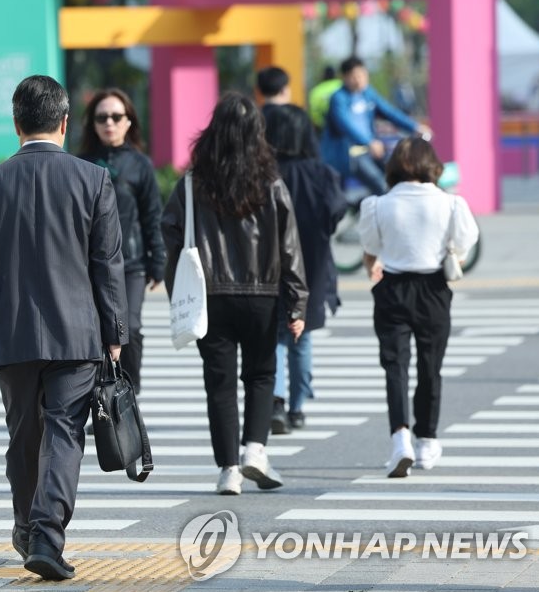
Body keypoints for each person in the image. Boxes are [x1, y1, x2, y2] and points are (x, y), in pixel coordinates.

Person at [0, 75, 128, 580]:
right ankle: (46, 534)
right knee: (64, 432)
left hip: (11, 336)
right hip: (77, 332)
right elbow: (108, 263)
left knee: (23, 435)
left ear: (16, 124)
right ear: (64, 122)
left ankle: (25, 527)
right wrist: (115, 332)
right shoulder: (92, 179)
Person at [161, 92, 308, 496]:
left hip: (211, 296)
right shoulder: (271, 183)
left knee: (219, 383)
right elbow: (290, 246)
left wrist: (177, 291)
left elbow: (170, 236)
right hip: (262, 294)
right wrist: (297, 303)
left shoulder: (191, 184)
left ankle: (228, 470)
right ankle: (255, 451)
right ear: (256, 134)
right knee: (261, 374)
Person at [357, 137, 478, 478]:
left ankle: (400, 439)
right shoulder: (451, 203)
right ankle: (427, 440)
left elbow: (370, 246)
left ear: (393, 167)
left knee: (395, 366)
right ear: (432, 166)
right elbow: (465, 243)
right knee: (430, 366)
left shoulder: (377, 204)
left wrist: (374, 266)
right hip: (433, 289)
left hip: (392, 287)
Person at [263, 104, 346, 434]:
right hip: (312, 262)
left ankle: (277, 402)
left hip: (271, 264)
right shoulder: (323, 173)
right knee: (303, 335)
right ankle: (298, 407)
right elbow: (337, 212)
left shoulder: (267, 174)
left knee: (276, 337)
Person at [78, 88, 165, 394]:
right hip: (90, 264)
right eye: (102, 117)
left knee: (132, 329)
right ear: (93, 123)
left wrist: (159, 260)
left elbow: (152, 215)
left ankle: (129, 393)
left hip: (132, 263)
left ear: (129, 122)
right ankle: (103, 396)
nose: (109, 123)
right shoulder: (82, 163)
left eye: (117, 117)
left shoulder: (140, 164)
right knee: (99, 332)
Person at [321, 56, 432, 196]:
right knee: (379, 184)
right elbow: (345, 124)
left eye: (362, 74)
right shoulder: (338, 98)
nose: (359, 79)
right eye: (355, 76)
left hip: (373, 150)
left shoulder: (367, 93)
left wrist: (414, 127)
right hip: (351, 154)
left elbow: (389, 112)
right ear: (345, 77)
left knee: (396, 178)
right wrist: (368, 142)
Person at [307, 65, 341, 134]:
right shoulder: (341, 86)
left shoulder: (316, 90)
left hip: (322, 128)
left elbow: (313, 112)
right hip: (342, 127)